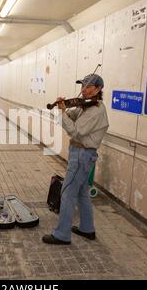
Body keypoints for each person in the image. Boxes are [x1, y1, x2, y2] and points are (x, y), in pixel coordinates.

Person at [42, 74, 109, 245]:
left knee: (67, 193)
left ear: (98, 89)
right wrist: (64, 108)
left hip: (82, 156)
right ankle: (87, 229)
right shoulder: (86, 106)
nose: (84, 90)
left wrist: (63, 113)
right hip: (81, 154)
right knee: (81, 193)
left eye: (89, 87)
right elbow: (73, 117)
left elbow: (76, 132)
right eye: (83, 86)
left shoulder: (96, 110)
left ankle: (62, 235)